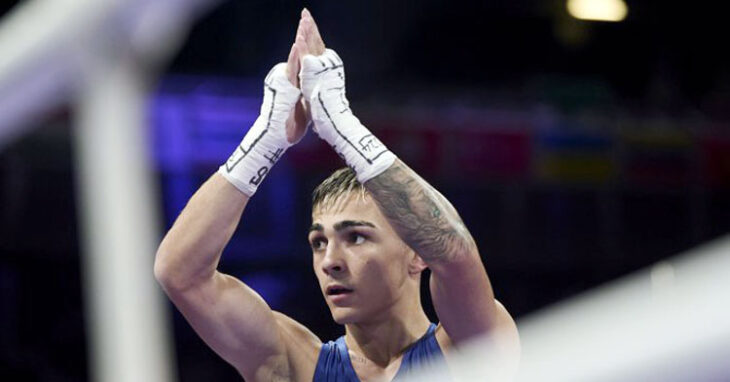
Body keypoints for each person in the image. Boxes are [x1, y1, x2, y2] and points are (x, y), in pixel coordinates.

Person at [154, 9, 520, 382]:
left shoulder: (466, 349)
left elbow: (453, 251)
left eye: (356, 236)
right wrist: (268, 134)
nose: (330, 261)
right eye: (318, 241)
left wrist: (338, 122)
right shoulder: (294, 364)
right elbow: (180, 273)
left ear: (415, 254)